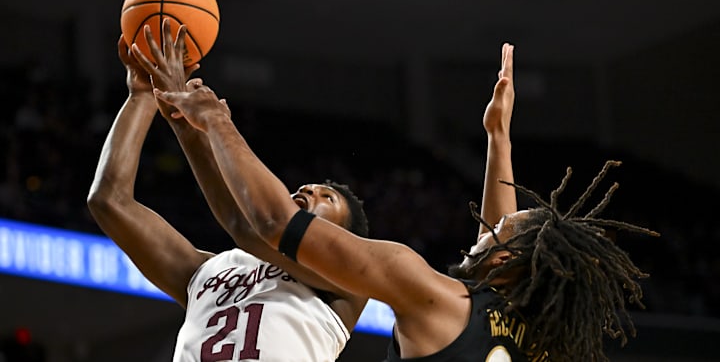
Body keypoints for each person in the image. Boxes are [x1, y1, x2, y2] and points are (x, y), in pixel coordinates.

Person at [152, 40, 660, 362]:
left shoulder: (428, 293)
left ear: (503, 259)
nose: (485, 229)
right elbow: (504, 238)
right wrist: (498, 140)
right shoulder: (544, 340)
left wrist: (216, 121)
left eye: (494, 234)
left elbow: (270, 222)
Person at [87, 22, 370, 361]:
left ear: (344, 239)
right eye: (306, 190)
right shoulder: (208, 271)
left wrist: (194, 124)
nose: (308, 192)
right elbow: (109, 202)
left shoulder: (348, 280)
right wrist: (144, 96)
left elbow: (250, 227)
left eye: (327, 198)